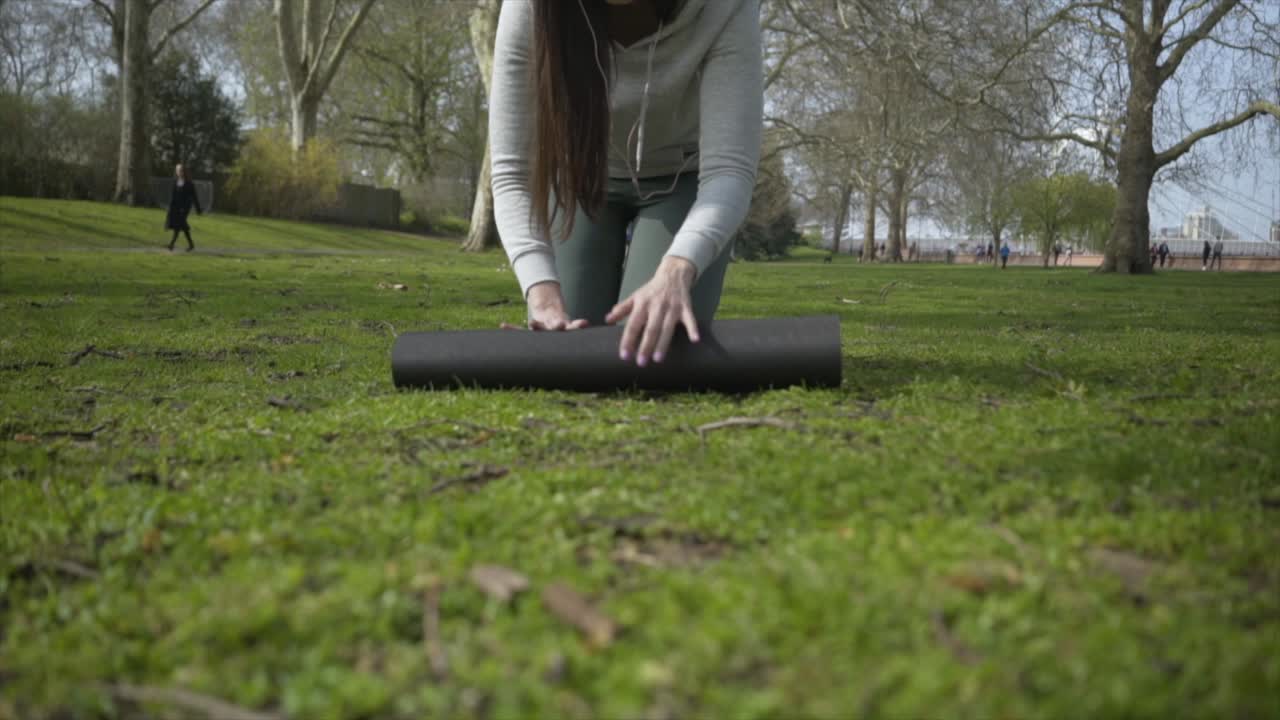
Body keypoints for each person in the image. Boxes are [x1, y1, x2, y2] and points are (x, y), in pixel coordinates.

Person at [490, 0, 762, 368]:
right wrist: (542, 293)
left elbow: (729, 170)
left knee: (650, 349)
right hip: (581, 177)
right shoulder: (531, 7)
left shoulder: (726, 7)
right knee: (569, 347)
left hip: (685, 180)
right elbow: (512, 173)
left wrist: (677, 269)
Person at [165, 163, 202, 252]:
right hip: (176, 207)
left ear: (184, 172)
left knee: (179, 225)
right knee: (183, 225)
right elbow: (173, 196)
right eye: (177, 170)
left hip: (185, 208)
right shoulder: (175, 182)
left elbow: (194, 196)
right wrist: (171, 207)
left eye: (180, 170)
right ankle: (191, 244)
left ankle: (171, 244)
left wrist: (198, 209)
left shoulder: (189, 183)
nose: (179, 172)